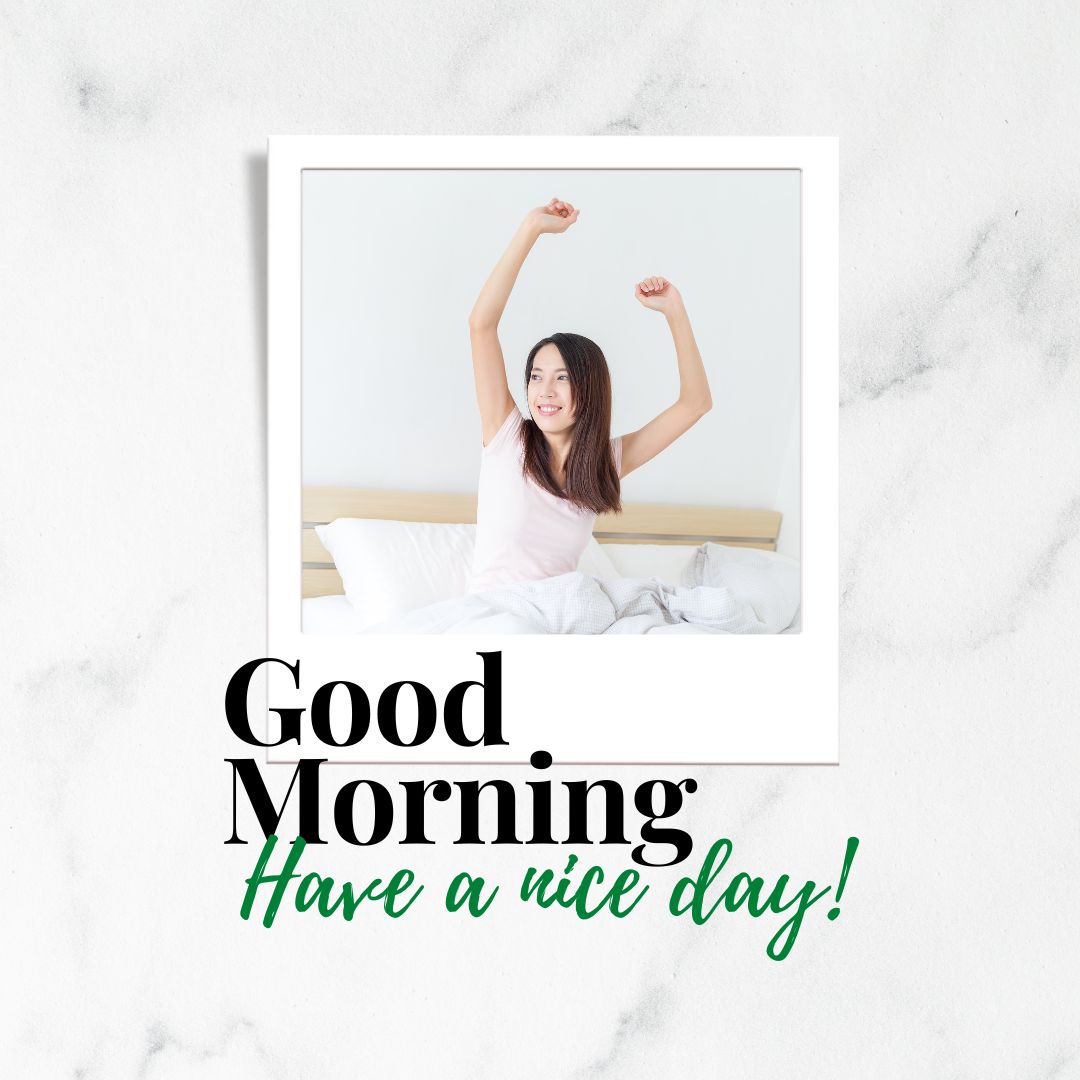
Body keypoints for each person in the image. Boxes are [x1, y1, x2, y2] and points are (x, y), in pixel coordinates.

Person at [466, 197, 712, 592]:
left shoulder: (603, 463)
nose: (544, 391)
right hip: (497, 616)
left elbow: (695, 404)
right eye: (536, 376)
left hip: (563, 617)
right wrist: (531, 228)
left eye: (562, 378)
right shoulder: (505, 438)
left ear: (589, 389)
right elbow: (481, 325)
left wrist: (675, 312)